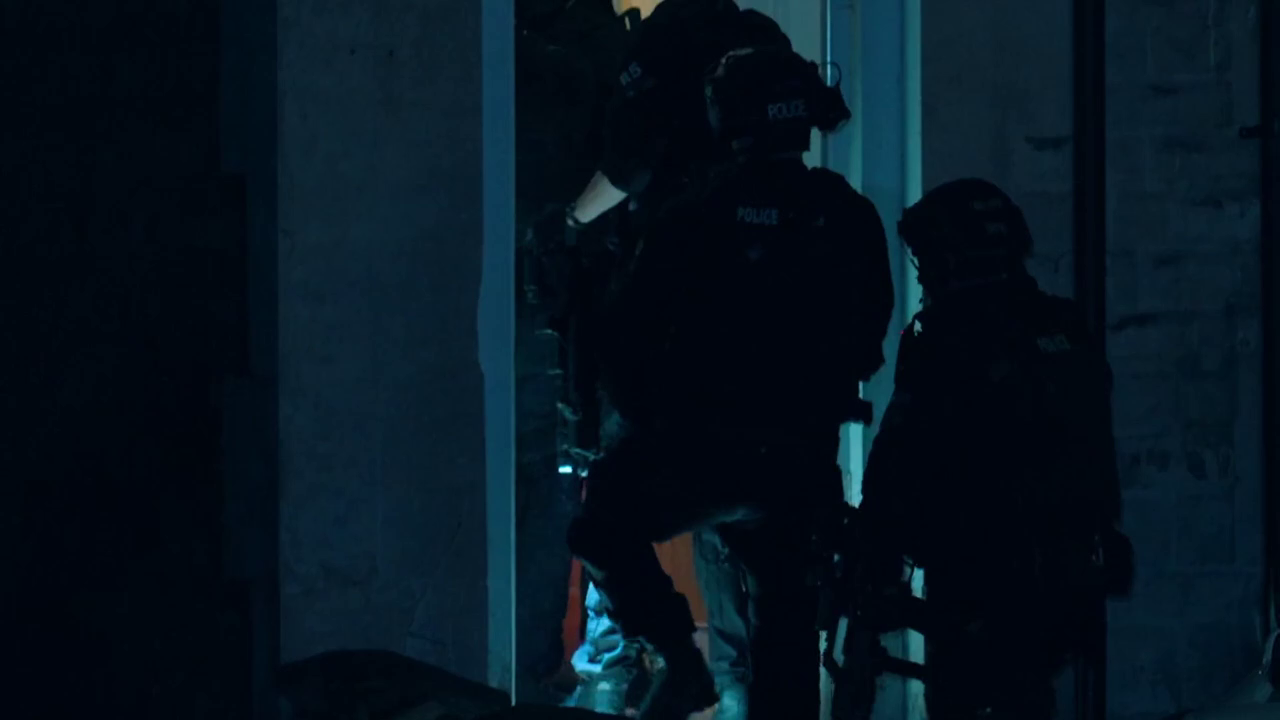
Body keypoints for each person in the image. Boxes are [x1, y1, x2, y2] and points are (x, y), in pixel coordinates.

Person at [566, 46, 894, 720]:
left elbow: (625, 333)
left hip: (701, 450)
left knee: (604, 523)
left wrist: (653, 420)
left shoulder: (698, 212)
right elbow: (868, 340)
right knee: (787, 638)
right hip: (802, 461)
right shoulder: (846, 213)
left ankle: (682, 665)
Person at [857, 179, 1134, 720]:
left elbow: (900, 458)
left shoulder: (943, 335)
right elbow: (1095, 442)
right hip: (1063, 567)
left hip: (974, 570)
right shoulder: (1062, 324)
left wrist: (878, 562)